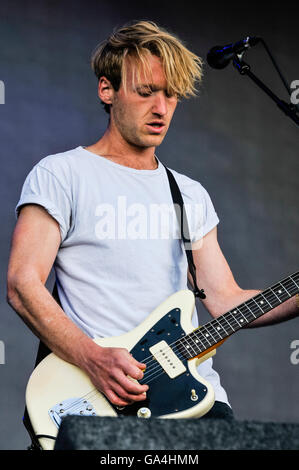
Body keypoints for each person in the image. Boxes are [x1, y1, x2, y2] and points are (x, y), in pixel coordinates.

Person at [6, 20, 299, 435]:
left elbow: (225, 301)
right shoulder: (62, 174)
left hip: (196, 401)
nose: (161, 108)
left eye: (171, 95)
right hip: (105, 395)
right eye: (146, 92)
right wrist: (93, 357)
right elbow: (22, 283)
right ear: (107, 90)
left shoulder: (189, 194)